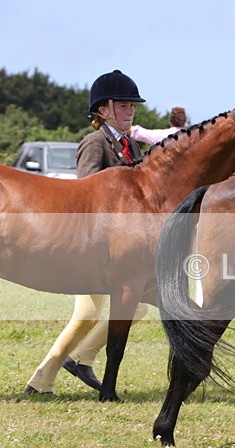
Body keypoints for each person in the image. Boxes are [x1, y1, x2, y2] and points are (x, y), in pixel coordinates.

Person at [25, 70, 148, 395]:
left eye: (132, 107)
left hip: (120, 249)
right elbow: (86, 189)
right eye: (123, 106)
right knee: (87, 314)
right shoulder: (95, 142)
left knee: (135, 307)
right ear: (103, 110)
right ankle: (59, 369)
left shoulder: (133, 146)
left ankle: (63, 368)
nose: (130, 112)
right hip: (90, 246)